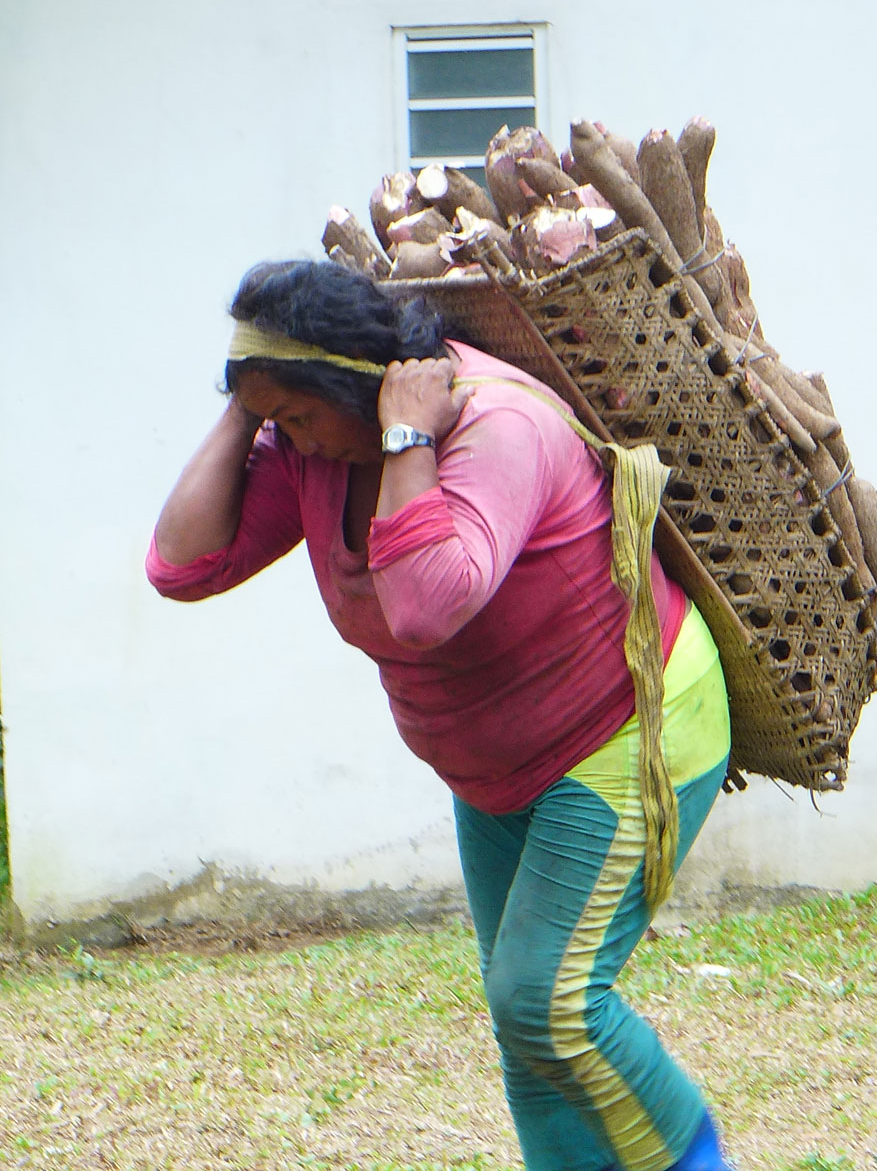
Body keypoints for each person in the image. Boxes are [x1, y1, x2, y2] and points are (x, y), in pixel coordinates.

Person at [147, 258, 738, 1171]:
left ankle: (700, 1162)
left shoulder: (499, 425)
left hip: (626, 727)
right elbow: (181, 565)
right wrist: (247, 405)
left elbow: (427, 605)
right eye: (275, 422)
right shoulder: (315, 444)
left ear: (360, 386)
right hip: (495, 770)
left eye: (295, 414)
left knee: (548, 1001)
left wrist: (403, 441)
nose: (287, 437)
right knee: (527, 1035)